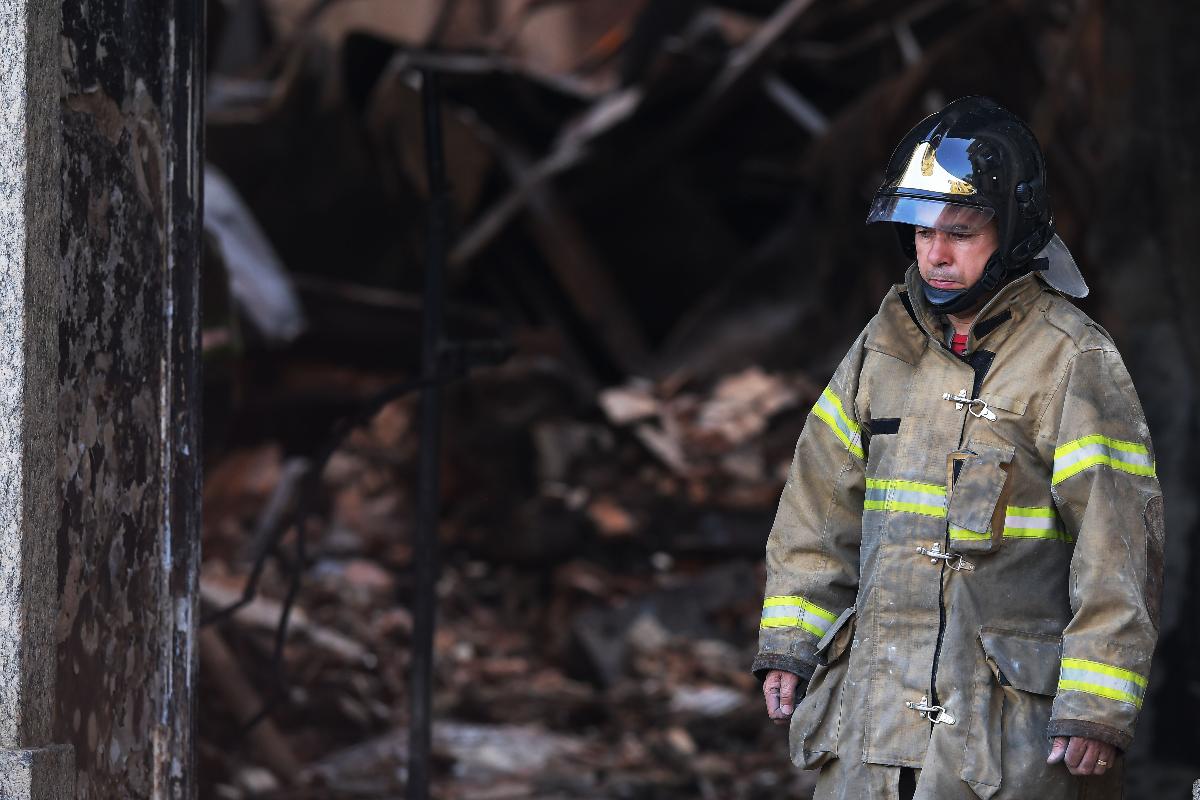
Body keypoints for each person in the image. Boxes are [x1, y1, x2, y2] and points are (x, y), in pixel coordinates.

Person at [753, 97, 1164, 800]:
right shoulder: (883, 346)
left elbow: (1118, 547)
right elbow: (816, 512)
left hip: (999, 741)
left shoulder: (1071, 359)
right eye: (922, 232)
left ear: (1014, 231)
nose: (936, 256)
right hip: (871, 733)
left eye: (961, 233)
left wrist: (1097, 706)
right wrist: (790, 643)